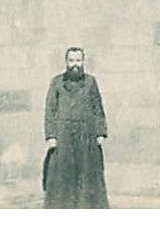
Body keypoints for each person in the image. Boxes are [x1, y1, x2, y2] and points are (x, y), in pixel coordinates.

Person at [43, 46, 109, 208]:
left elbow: (97, 107)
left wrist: (100, 132)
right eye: (71, 60)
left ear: (83, 62)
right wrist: (51, 136)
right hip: (64, 135)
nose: (75, 64)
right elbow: (50, 110)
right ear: (66, 62)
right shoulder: (57, 83)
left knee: (87, 173)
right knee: (63, 174)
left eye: (78, 60)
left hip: (86, 134)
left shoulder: (90, 82)